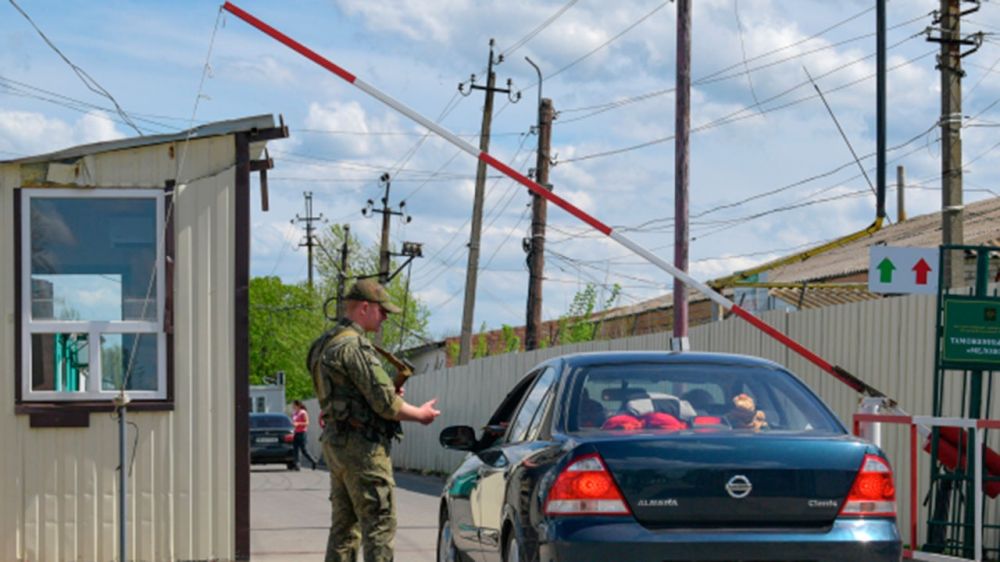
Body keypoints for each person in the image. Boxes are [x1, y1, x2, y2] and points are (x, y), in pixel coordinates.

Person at [307, 279, 441, 562]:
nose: (385, 318)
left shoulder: (322, 344)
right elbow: (387, 405)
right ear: (365, 308)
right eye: (382, 311)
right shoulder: (355, 347)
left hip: (336, 443)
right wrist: (421, 415)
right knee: (379, 524)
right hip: (363, 448)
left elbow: (343, 394)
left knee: (344, 528)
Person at [291, 400, 318, 470]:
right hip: (296, 433)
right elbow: (294, 422)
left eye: (294, 405)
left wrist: (298, 424)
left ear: (298, 405)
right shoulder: (295, 413)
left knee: (304, 450)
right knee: (295, 450)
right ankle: (297, 465)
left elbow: (307, 423)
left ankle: (313, 461)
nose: (293, 406)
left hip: (302, 433)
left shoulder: (303, 412)